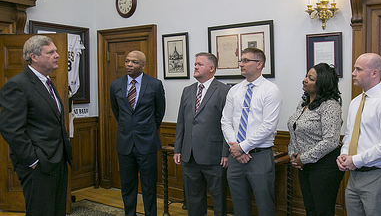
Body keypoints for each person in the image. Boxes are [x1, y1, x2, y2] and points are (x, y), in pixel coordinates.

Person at [0, 35, 72, 216]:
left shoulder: (48, 82)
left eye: (56, 51)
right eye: (51, 52)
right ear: (34, 57)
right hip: (39, 165)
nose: (57, 55)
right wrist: (33, 161)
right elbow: (11, 129)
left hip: (58, 161)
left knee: (57, 211)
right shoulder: (18, 85)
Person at [336, 53, 381, 216]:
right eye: (354, 68)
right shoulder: (356, 101)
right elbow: (349, 135)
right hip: (354, 176)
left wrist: (357, 160)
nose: (353, 73)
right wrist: (344, 155)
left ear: (374, 73)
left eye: (358, 69)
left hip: (378, 176)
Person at [221, 47, 282, 215]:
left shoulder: (270, 90)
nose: (241, 64)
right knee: (239, 207)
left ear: (259, 64)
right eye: (240, 60)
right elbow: (225, 121)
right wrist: (236, 148)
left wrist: (243, 147)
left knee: (265, 206)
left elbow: (268, 126)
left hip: (259, 157)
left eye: (246, 60)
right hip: (235, 157)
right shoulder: (234, 90)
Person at [173, 52, 230, 216]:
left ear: (211, 68)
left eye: (200, 64)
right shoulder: (188, 90)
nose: (195, 67)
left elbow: (228, 124)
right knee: (193, 199)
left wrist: (225, 152)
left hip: (214, 156)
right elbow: (181, 121)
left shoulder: (224, 91)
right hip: (189, 155)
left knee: (218, 200)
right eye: (195, 64)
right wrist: (178, 148)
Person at [110, 50, 165, 216]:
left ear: (143, 65)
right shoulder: (116, 85)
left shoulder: (155, 84)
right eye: (127, 61)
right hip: (125, 142)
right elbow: (116, 111)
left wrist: (147, 129)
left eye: (134, 62)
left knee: (149, 186)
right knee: (127, 186)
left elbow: (159, 112)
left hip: (147, 143)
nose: (129, 65)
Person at [288, 63, 345, 215]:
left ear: (322, 84)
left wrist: (303, 158)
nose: (305, 80)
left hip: (324, 167)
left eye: (311, 78)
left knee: (322, 211)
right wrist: (293, 155)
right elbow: (295, 130)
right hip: (304, 165)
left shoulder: (330, 106)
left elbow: (331, 141)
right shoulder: (304, 103)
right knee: (310, 209)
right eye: (307, 76)